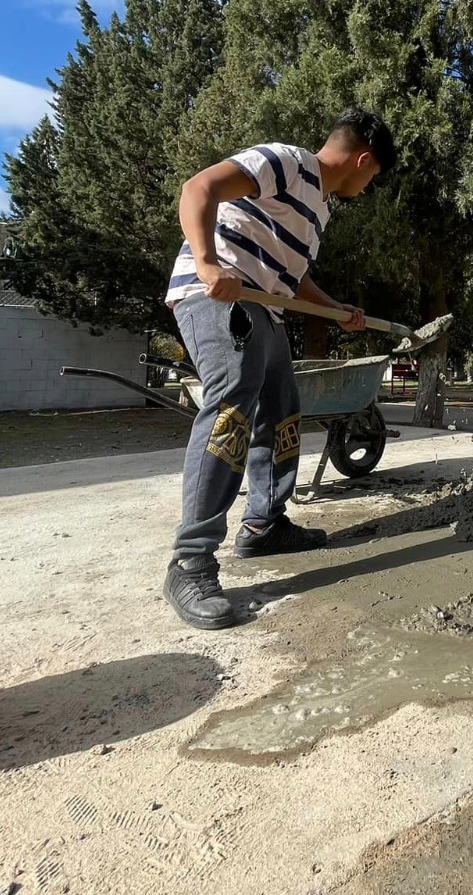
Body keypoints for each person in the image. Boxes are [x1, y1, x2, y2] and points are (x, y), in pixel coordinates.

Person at [164, 108, 398, 630]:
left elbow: (292, 281)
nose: (367, 187)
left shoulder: (318, 210)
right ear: (363, 161)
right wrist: (208, 263)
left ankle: (264, 525)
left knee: (282, 412)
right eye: (373, 177)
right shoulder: (287, 162)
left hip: (262, 308)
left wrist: (336, 309)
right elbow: (198, 188)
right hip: (215, 296)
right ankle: (190, 561)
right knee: (231, 406)